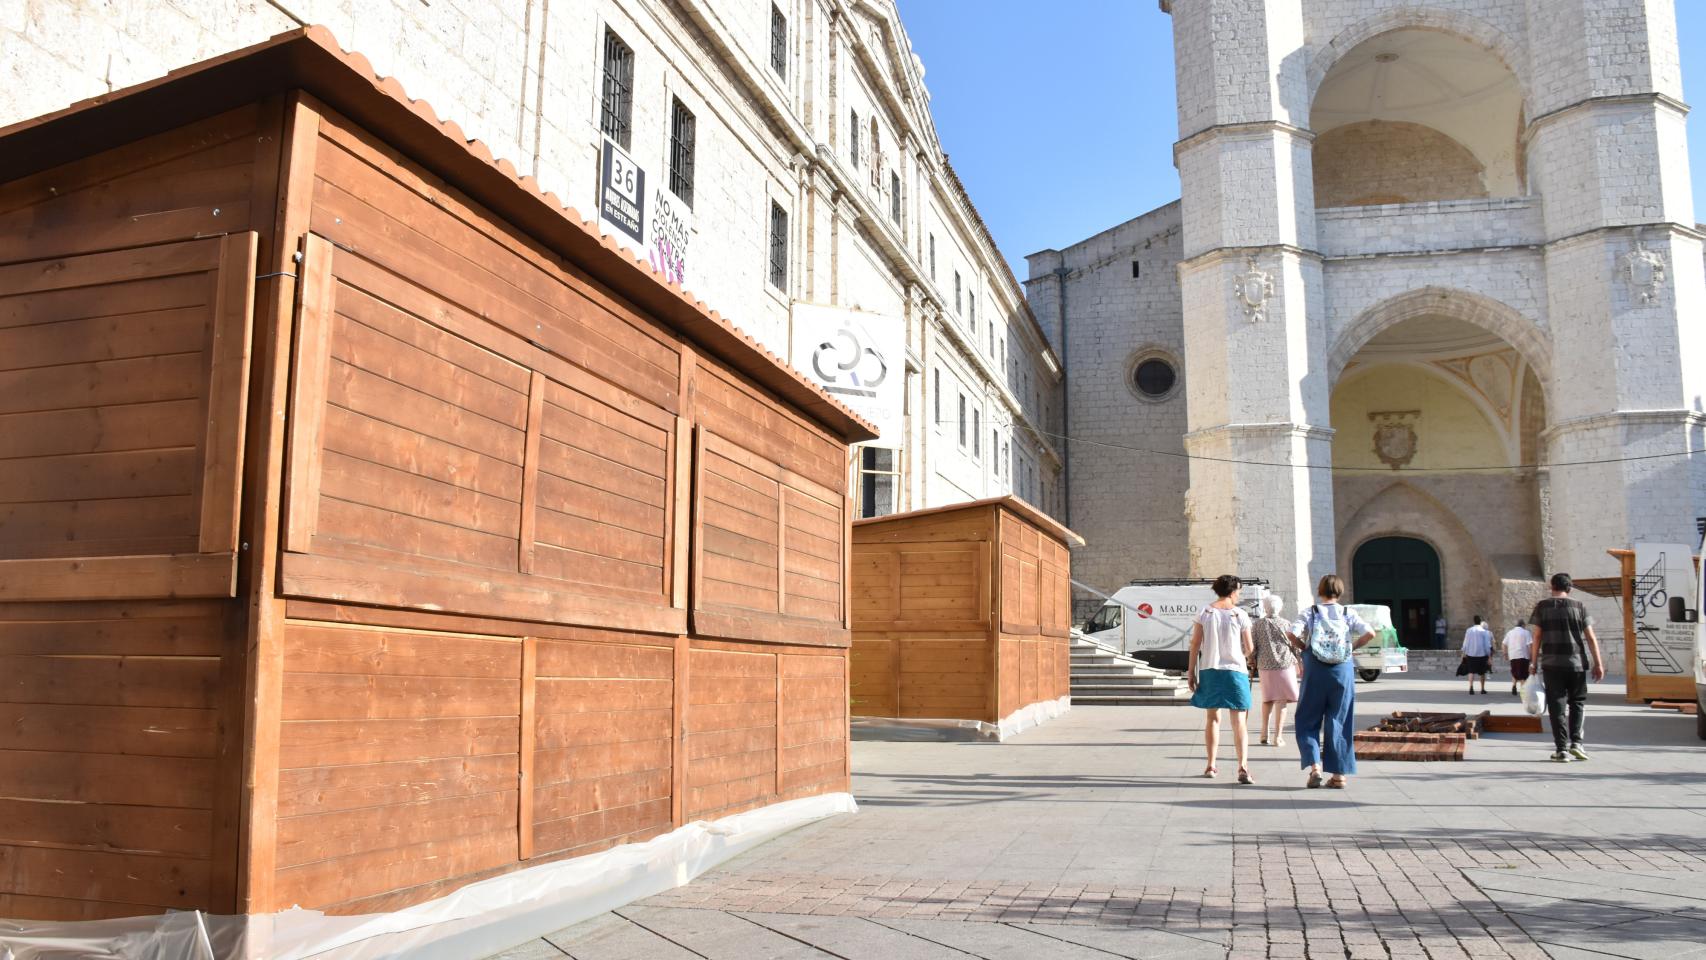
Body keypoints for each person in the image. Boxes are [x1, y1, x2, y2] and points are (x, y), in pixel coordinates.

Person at [1288, 575, 1376, 790]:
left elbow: (1290, 632)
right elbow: (1370, 633)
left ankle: (1315, 767)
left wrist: (1304, 647)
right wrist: (1352, 647)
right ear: (1340, 591)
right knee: (1340, 720)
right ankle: (1339, 775)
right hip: (1342, 670)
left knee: (1307, 718)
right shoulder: (1348, 613)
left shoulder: (1311, 612)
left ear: (1320, 591)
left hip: (1315, 669)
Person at [1529, 573, 1606, 762]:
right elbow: (1590, 637)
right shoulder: (1579, 606)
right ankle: (1577, 743)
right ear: (1569, 588)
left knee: (1557, 706)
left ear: (1552, 586)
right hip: (1576, 664)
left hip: (1552, 664)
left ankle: (1561, 749)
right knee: (1577, 703)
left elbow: (1537, 636)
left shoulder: (1542, 606)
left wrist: (1533, 662)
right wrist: (1598, 663)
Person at [1187, 575, 1256, 784]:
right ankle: (1243, 767)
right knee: (1239, 721)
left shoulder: (1205, 612)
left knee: (1212, 718)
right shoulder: (1240, 614)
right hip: (1235, 670)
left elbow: (1195, 644)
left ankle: (1211, 765)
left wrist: (1191, 671)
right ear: (1233, 591)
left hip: (1210, 669)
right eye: (1239, 591)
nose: (1239, 595)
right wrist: (1243, 656)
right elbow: (1249, 648)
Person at [1252, 594, 1300, 747]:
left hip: (1264, 666)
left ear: (1265, 607)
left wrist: (1251, 659)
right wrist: (1300, 662)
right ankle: (1278, 737)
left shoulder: (1257, 624)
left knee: (1267, 699)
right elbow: (1294, 646)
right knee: (1281, 700)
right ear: (1280, 607)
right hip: (1284, 665)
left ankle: (1264, 733)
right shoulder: (1286, 624)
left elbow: (1252, 646)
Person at [1458, 615, 1494, 694]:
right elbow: (1487, 644)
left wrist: (1463, 653)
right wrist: (1489, 655)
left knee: (1471, 671)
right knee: (1482, 672)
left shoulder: (1469, 630)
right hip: (1482, 654)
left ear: (1473, 621)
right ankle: (1482, 689)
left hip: (1471, 654)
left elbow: (1465, 643)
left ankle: (1471, 687)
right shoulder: (1484, 631)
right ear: (1480, 622)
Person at [1503, 618, 1532, 697]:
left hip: (1513, 656)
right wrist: (1531, 655)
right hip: (1523, 655)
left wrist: (1505, 654)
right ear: (1522, 625)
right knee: (1523, 674)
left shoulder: (1510, 632)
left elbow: (1504, 644)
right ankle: (1523, 692)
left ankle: (1514, 686)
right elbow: (1529, 645)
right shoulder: (1526, 632)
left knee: (1515, 671)